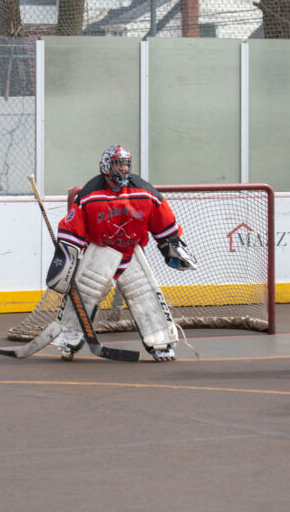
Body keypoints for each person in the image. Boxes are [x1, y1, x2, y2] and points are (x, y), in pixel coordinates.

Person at [43, 144, 197, 362]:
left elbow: (163, 221)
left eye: (126, 164)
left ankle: (161, 344)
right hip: (101, 250)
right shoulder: (90, 194)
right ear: (106, 166)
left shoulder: (143, 190)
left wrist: (171, 245)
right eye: (118, 164)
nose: (123, 169)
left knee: (146, 296)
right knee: (84, 295)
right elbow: (73, 227)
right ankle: (68, 341)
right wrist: (67, 256)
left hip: (131, 251)